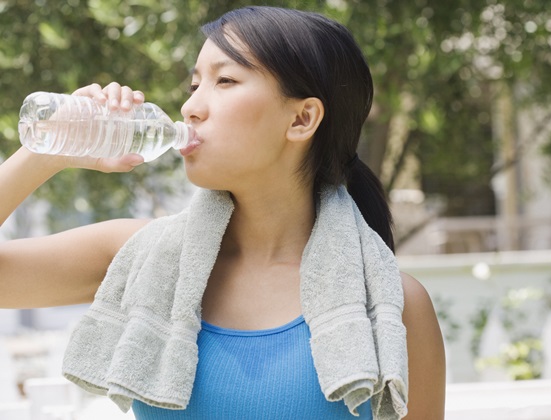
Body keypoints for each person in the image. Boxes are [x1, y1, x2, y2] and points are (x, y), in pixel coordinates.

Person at [0, 6, 445, 419]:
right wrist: (48, 148)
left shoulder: (394, 307)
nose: (190, 107)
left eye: (225, 81)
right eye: (194, 85)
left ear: (301, 119)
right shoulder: (140, 258)